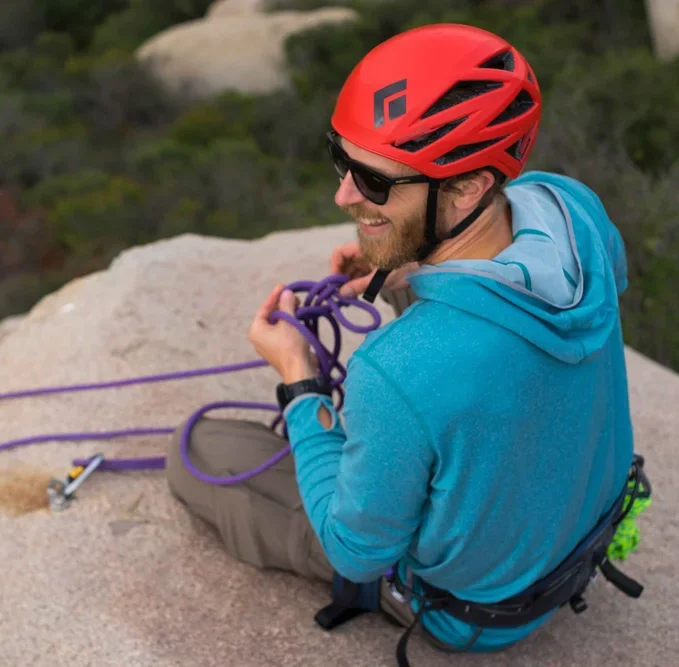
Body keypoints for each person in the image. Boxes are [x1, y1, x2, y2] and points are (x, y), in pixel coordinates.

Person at [165, 23, 647, 662]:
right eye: (341, 161)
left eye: (373, 181)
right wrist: (405, 267)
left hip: (475, 617)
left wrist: (301, 384)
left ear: (468, 187)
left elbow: (356, 551)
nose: (343, 195)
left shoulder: (397, 371)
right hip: (575, 544)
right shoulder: (569, 207)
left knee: (199, 449)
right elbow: (582, 305)